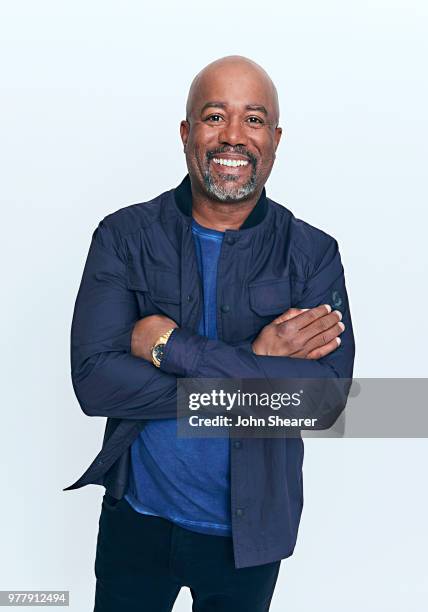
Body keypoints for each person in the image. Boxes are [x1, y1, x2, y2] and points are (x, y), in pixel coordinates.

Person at [64, 55, 355, 612]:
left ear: (274, 137)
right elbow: (95, 385)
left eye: (253, 119)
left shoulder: (313, 255)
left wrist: (173, 348)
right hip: (136, 521)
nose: (233, 136)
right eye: (215, 115)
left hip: (249, 536)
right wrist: (260, 364)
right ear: (186, 132)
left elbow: (326, 402)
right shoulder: (124, 236)